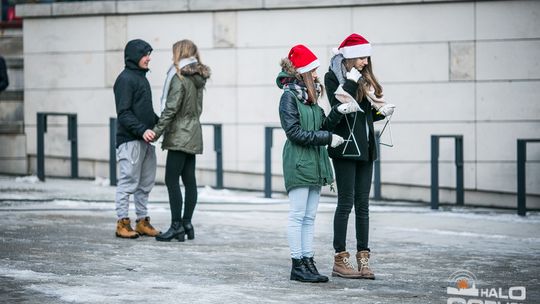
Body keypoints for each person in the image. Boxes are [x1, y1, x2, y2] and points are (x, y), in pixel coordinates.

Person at [277, 44, 361, 283]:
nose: (316, 74)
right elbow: (294, 133)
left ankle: (308, 261)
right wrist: (328, 138)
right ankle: (297, 264)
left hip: (315, 162)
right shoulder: (289, 97)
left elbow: (322, 126)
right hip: (299, 162)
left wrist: (339, 111)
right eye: (312, 70)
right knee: (298, 215)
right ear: (301, 72)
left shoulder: (310, 98)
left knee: (309, 217)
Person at [325, 33, 396, 279]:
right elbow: (340, 108)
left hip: (366, 148)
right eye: (362, 57)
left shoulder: (364, 78)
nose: (366, 62)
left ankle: (364, 259)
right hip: (344, 148)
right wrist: (352, 81)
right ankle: (340, 258)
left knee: (363, 206)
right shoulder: (332, 77)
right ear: (350, 57)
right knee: (346, 203)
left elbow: (363, 115)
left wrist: (380, 113)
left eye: (367, 57)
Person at [152, 39, 210, 242]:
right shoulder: (197, 77)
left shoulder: (180, 77)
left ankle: (176, 225)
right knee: (189, 180)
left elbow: (171, 108)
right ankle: (187, 223)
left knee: (171, 179)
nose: (171, 56)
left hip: (179, 134)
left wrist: (156, 131)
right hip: (193, 132)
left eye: (173, 52)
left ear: (180, 53)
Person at [113, 39, 160, 239]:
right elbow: (123, 113)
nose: (148, 58)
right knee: (128, 182)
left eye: (149, 54)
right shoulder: (125, 79)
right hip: (130, 140)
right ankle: (123, 222)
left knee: (145, 183)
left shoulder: (142, 78)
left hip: (145, 140)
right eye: (144, 54)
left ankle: (142, 221)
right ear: (134, 56)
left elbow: (144, 112)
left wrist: (160, 124)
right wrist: (142, 130)